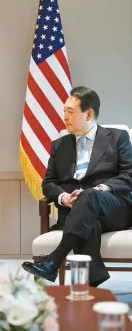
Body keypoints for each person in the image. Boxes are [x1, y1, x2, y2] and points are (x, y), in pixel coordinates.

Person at [22, 86, 132, 286]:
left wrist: (100, 190)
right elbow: (48, 184)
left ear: (89, 114)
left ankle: (54, 260)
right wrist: (64, 197)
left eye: (70, 112)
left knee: (89, 195)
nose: (64, 116)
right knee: (89, 221)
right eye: (64, 110)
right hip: (76, 212)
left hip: (113, 208)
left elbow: (129, 174)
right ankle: (92, 284)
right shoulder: (59, 145)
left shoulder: (117, 138)